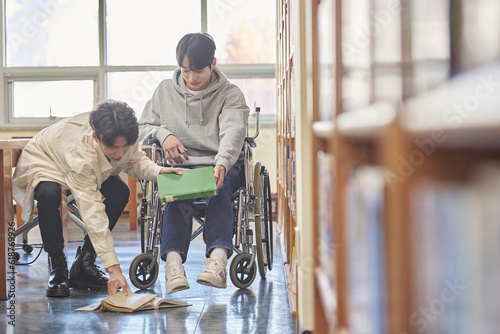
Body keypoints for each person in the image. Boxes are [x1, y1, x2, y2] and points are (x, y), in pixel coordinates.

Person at [12, 100, 185, 297]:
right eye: (113, 147)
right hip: (46, 161)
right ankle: (58, 268)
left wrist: (159, 171)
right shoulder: (82, 155)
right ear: (96, 137)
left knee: (120, 192)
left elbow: (135, 160)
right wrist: (114, 269)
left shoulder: (125, 133)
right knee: (48, 194)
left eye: (125, 146)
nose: (120, 153)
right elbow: (93, 214)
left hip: (83, 161)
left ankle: (84, 264)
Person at [139, 32, 250, 293]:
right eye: (185, 70)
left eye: (198, 70)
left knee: (219, 186)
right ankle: (173, 265)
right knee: (176, 192)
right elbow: (143, 125)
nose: (191, 78)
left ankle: (218, 262)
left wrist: (222, 163)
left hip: (220, 165)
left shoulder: (230, 94)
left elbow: (233, 132)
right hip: (182, 168)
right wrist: (163, 134)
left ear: (213, 62)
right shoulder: (165, 91)